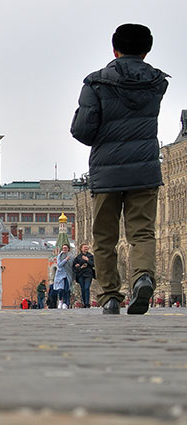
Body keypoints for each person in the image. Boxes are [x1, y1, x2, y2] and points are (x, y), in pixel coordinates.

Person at [70, 24, 168, 315]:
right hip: (145, 169)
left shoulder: (96, 83)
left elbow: (83, 131)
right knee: (142, 232)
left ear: (115, 49)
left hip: (107, 171)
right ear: (146, 50)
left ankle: (110, 296)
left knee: (104, 237)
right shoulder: (158, 82)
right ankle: (143, 277)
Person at [72, 243, 96, 308]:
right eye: (85, 247)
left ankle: (87, 303)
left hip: (88, 274)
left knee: (86, 288)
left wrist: (87, 260)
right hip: (81, 275)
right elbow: (74, 267)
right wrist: (80, 267)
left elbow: (93, 264)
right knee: (82, 289)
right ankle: (84, 303)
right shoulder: (78, 257)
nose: (86, 248)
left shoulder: (90, 256)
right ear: (81, 249)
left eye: (87, 247)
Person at [54, 244, 73, 309]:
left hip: (68, 275)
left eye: (66, 248)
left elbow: (72, 265)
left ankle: (65, 303)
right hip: (60, 276)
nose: (64, 249)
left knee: (66, 290)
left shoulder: (71, 256)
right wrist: (65, 260)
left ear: (68, 249)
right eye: (63, 248)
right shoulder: (59, 256)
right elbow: (59, 265)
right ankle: (60, 301)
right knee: (60, 290)